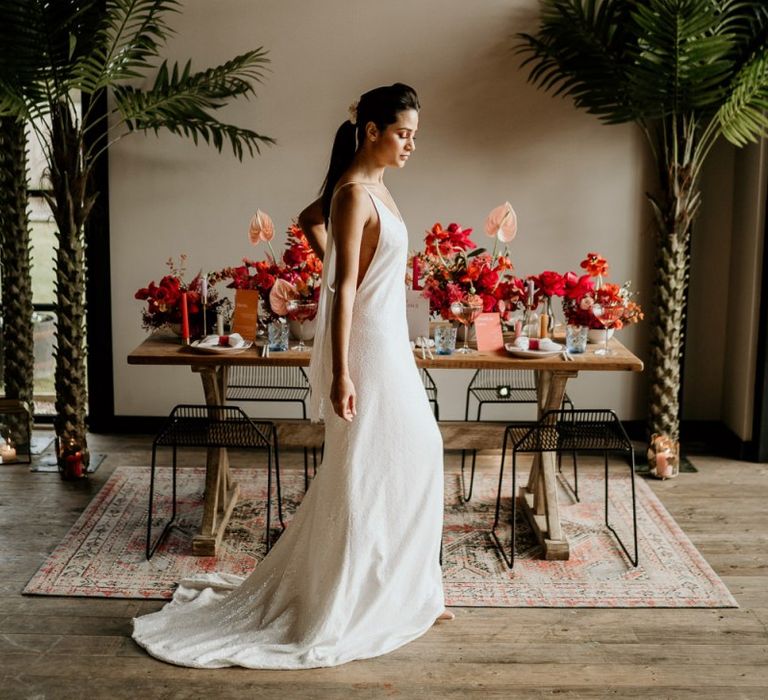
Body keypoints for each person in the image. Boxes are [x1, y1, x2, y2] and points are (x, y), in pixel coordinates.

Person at [132, 83, 451, 670]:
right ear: (373, 130)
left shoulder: (371, 189)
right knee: (365, 465)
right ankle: (351, 597)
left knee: (415, 453)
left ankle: (408, 589)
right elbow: (346, 286)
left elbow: (314, 224)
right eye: (402, 133)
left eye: (414, 135)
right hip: (368, 350)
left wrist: (329, 255)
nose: (411, 144)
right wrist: (341, 372)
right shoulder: (355, 194)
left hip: (389, 344)